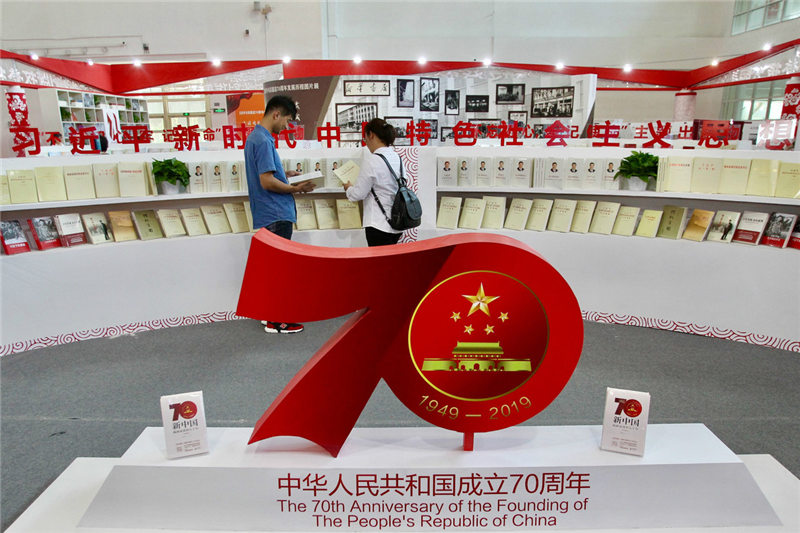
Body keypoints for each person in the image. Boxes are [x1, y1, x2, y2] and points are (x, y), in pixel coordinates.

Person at [244, 94, 315, 334]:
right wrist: (295, 188)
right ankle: (278, 320)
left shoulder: (256, 137)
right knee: (280, 271)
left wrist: (286, 175)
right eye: (286, 120)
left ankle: (270, 315)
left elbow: (266, 174)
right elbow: (266, 181)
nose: (286, 127)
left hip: (267, 213)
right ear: (276, 114)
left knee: (273, 268)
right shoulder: (263, 140)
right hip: (276, 212)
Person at [341, 118, 403, 247]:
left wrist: (348, 188)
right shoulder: (397, 158)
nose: (366, 143)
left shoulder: (372, 160)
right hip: (398, 222)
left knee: (379, 264)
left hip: (378, 223)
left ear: (371, 135)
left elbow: (357, 194)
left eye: (365, 138)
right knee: (389, 263)